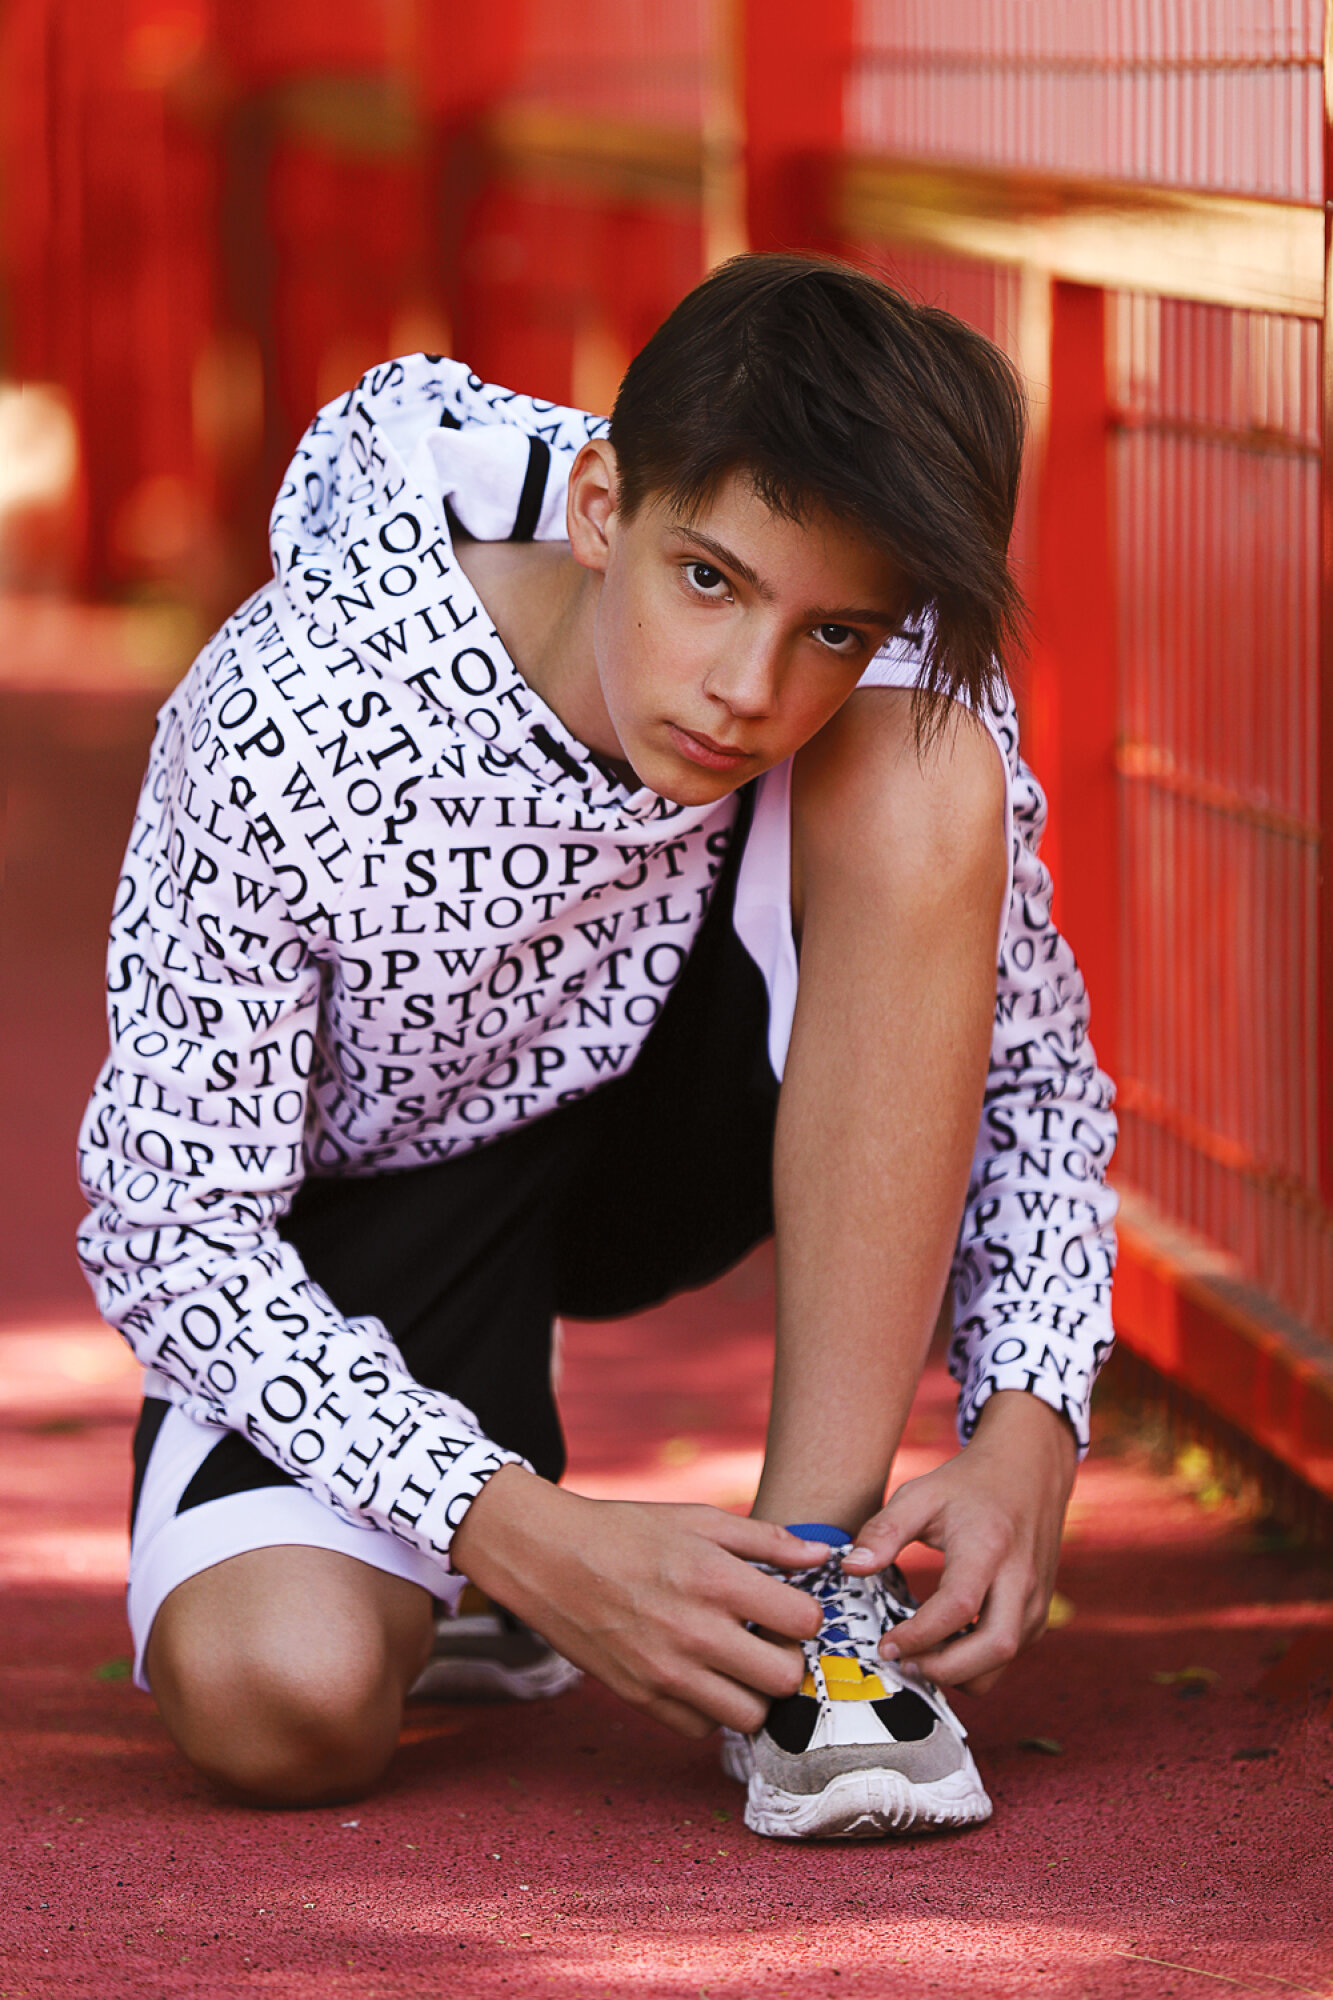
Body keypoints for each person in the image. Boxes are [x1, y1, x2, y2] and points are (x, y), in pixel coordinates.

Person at [77, 253, 1117, 1840]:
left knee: (926, 765)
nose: (749, 688)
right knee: (277, 1699)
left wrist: (1029, 1422)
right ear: (598, 505)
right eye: (706, 582)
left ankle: (809, 1609)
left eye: (829, 630)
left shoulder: (887, 654)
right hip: (385, 1200)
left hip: (683, 1115)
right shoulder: (293, 709)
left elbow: (1028, 1071)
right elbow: (169, 1223)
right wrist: (521, 1531)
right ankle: (473, 1537)